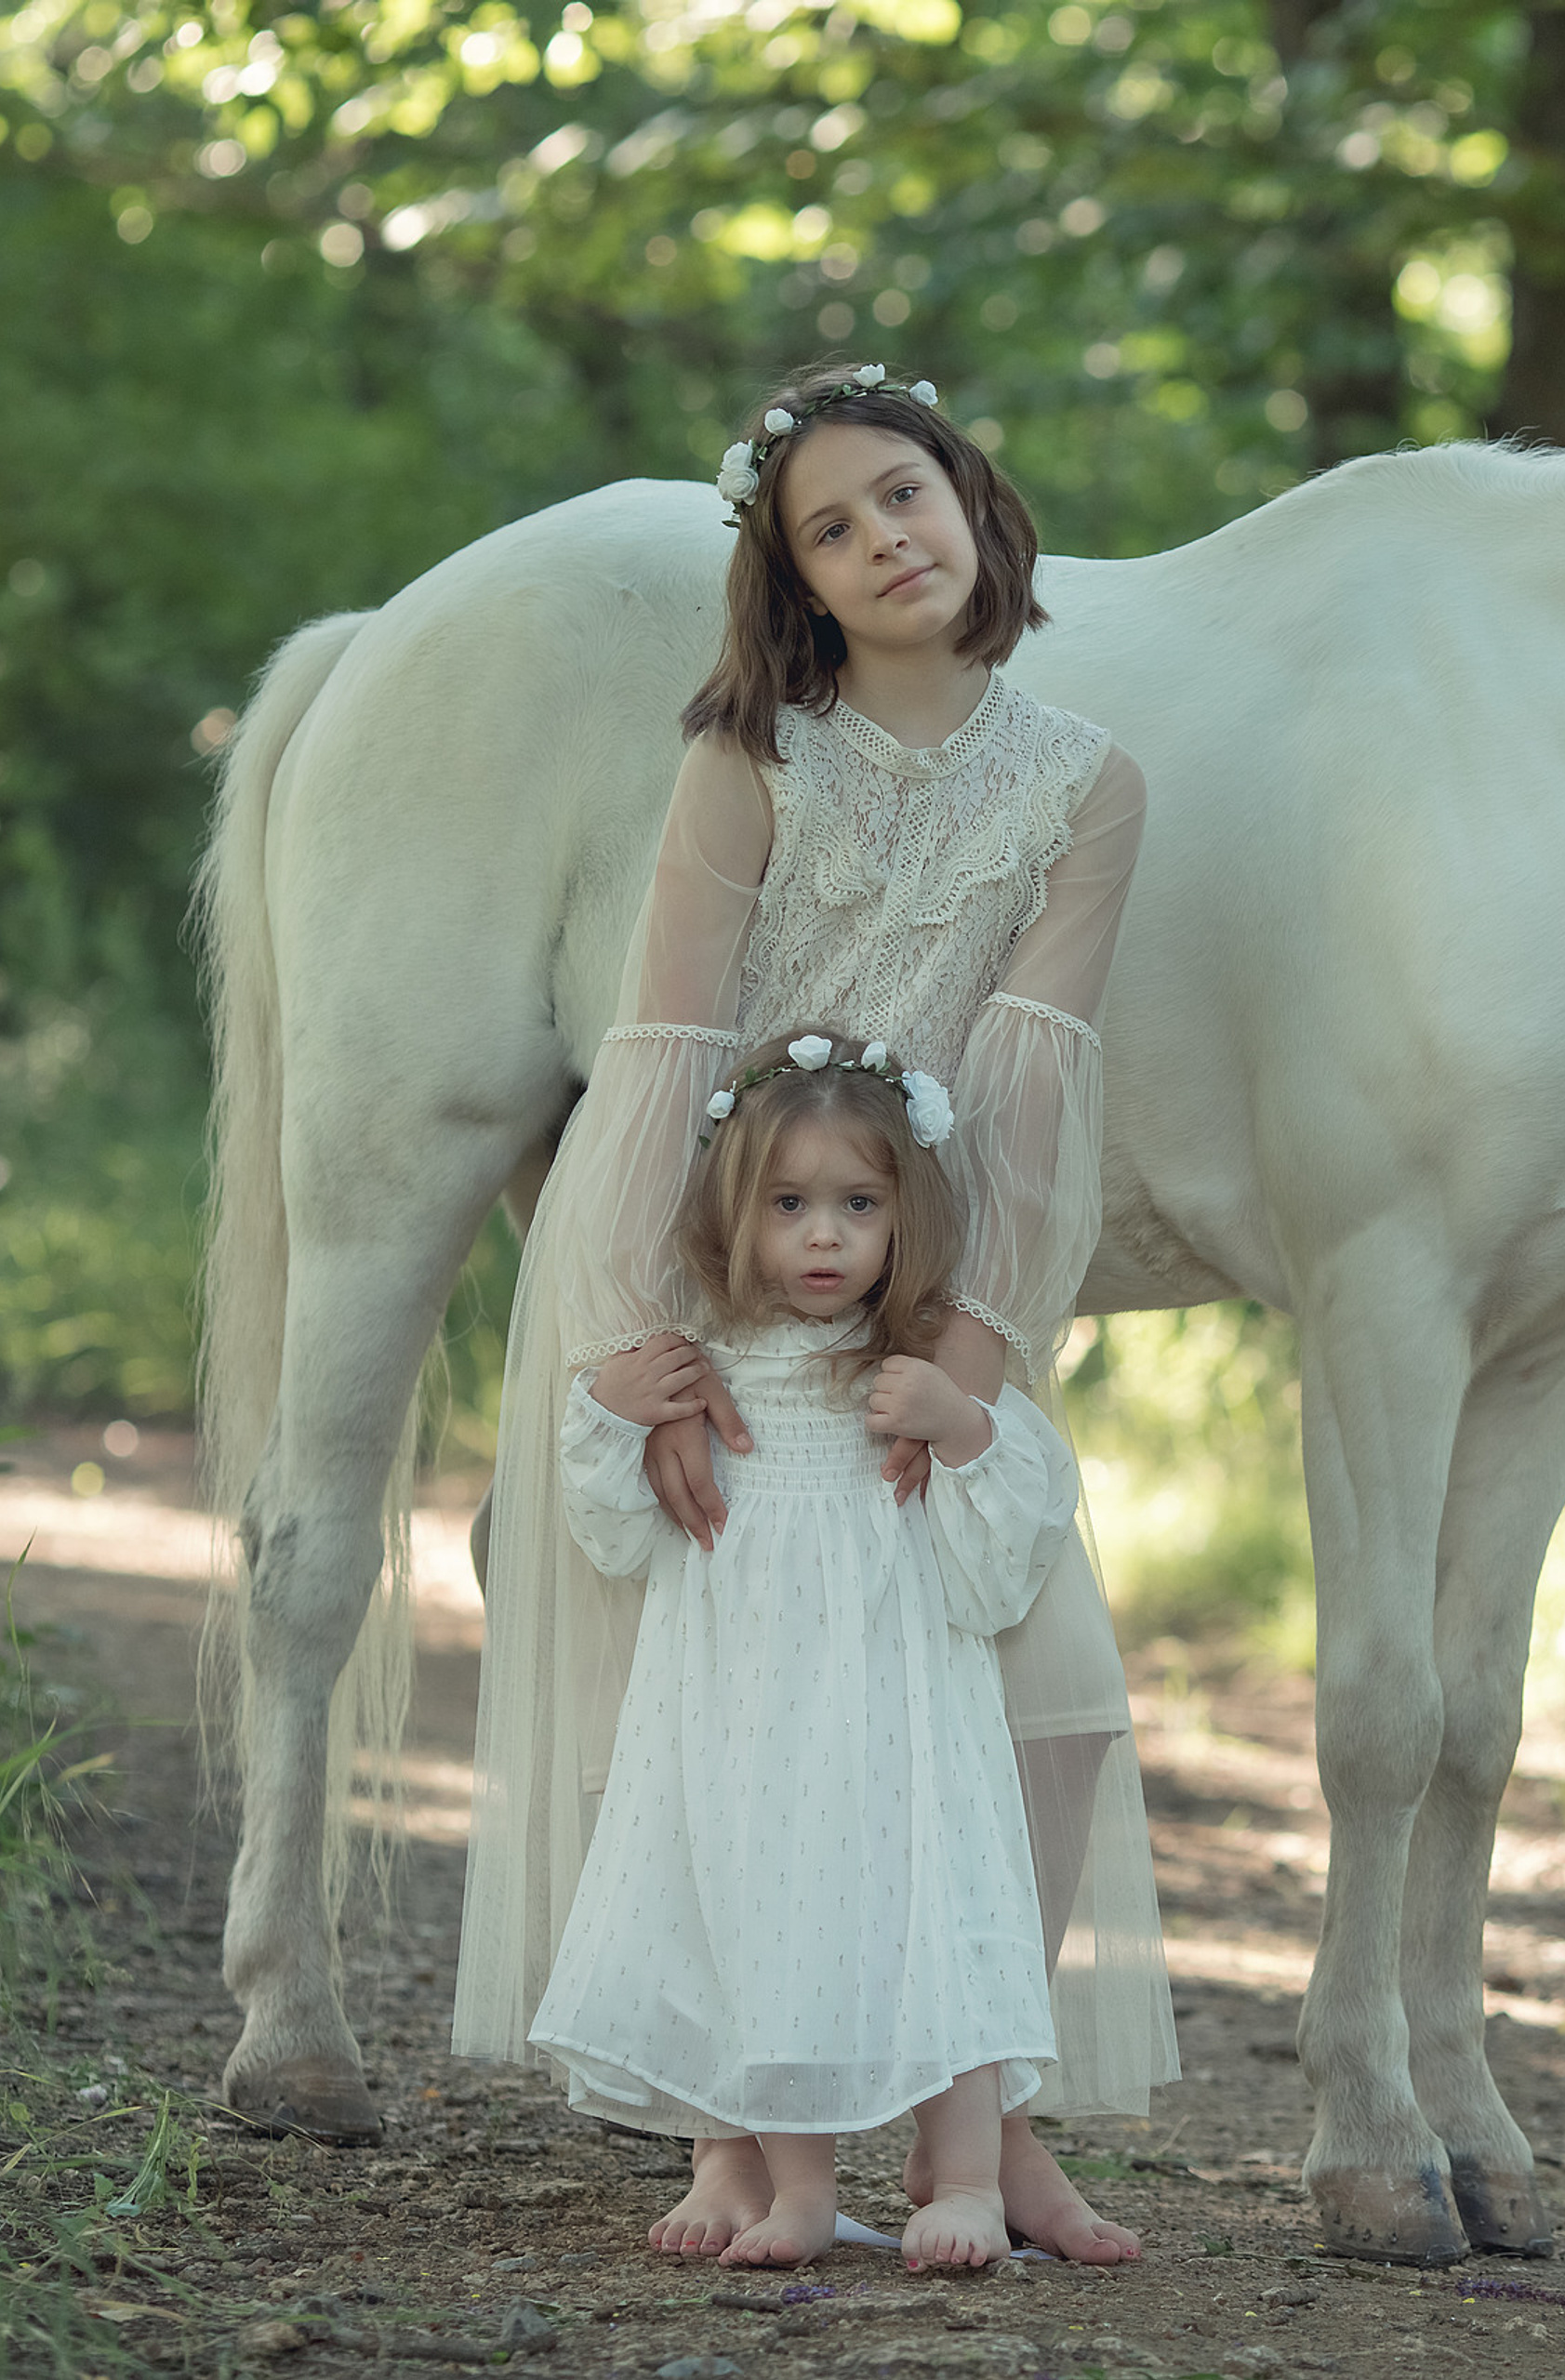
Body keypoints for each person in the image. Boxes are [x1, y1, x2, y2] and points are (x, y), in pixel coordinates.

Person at [454, 360, 1177, 2266]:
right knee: (691, 1696)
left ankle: (987, 2116)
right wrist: (636, 1343)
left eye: (902, 496)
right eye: (830, 529)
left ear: (970, 498)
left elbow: (1028, 1085)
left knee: (1054, 1694)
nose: (881, 541)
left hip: (920, 1281)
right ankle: (731, 2125)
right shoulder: (752, 755)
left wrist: (972, 1360)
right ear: (796, 582)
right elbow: (663, 1038)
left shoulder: (1087, 781)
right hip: (705, 1262)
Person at [530, 1040, 1076, 2268]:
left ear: (903, 1218)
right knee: (763, 1917)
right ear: (736, 1212)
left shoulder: (917, 1372)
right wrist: (613, 1413)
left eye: (858, 1205)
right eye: (789, 1205)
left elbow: (1002, 1566)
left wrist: (965, 1430)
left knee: (934, 1911)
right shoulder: (703, 1374)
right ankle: (801, 2190)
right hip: (745, 1711)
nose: (823, 1238)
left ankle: (971, 2184)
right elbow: (617, 1535)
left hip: (899, 1708)